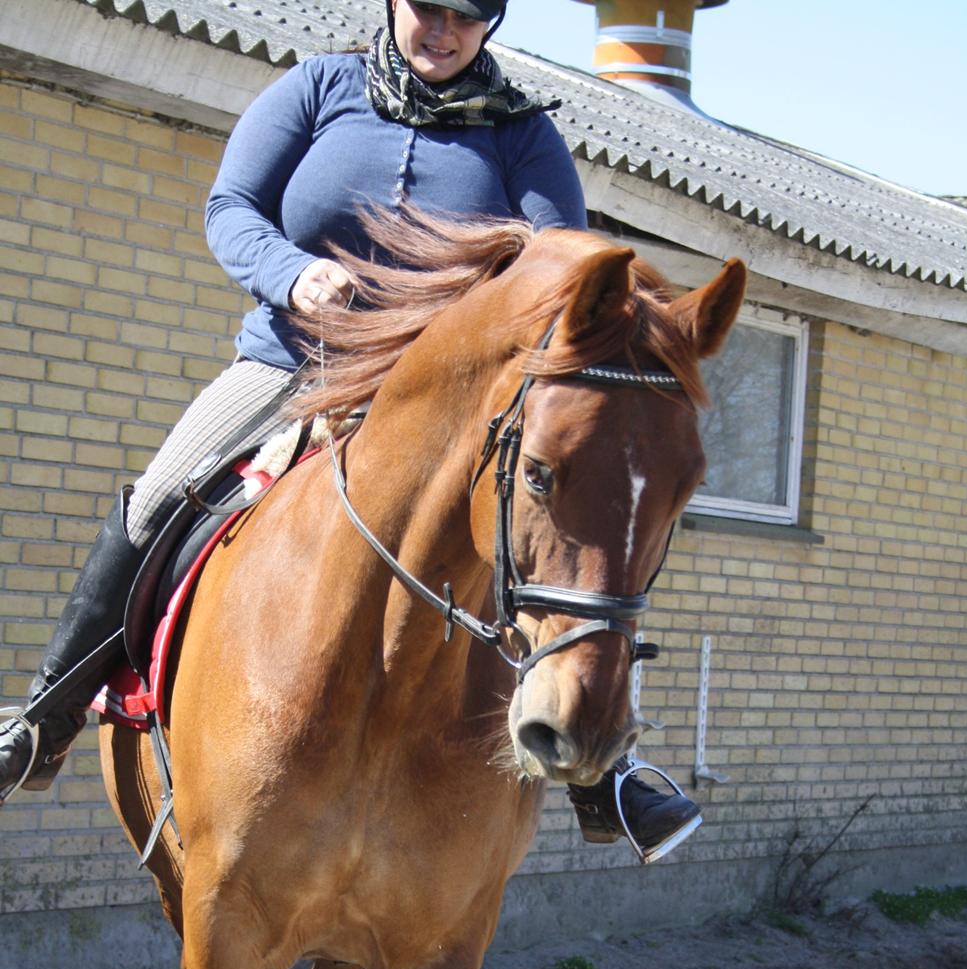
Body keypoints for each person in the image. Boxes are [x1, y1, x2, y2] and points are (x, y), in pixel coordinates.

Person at [0, 0, 701, 862]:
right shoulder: (319, 88)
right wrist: (291, 277)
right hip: (291, 365)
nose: (442, 30)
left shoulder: (523, 133)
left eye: (466, 16)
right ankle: (47, 713)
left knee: (557, 530)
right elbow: (232, 207)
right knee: (155, 500)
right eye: (426, 9)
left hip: (445, 408)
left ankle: (602, 772)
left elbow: (563, 278)